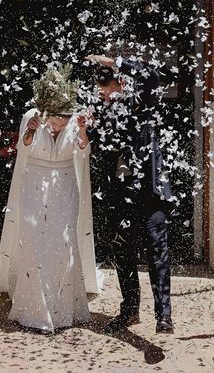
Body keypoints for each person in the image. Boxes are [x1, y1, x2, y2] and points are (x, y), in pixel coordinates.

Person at [0, 65, 100, 333]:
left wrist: (84, 132)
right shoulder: (32, 116)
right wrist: (28, 131)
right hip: (34, 183)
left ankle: (63, 307)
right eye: (55, 119)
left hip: (65, 184)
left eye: (63, 119)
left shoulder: (77, 120)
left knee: (63, 242)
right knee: (33, 239)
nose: (58, 125)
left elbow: (83, 151)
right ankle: (34, 308)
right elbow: (23, 148)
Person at [86, 54, 173, 334]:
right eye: (99, 90)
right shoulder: (104, 112)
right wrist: (87, 128)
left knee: (157, 251)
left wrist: (115, 62)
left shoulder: (141, 102)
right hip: (120, 193)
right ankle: (129, 310)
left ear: (119, 82)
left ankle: (164, 317)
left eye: (106, 87)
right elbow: (100, 147)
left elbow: (152, 76)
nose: (102, 93)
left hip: (149, 192)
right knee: (121, 251)